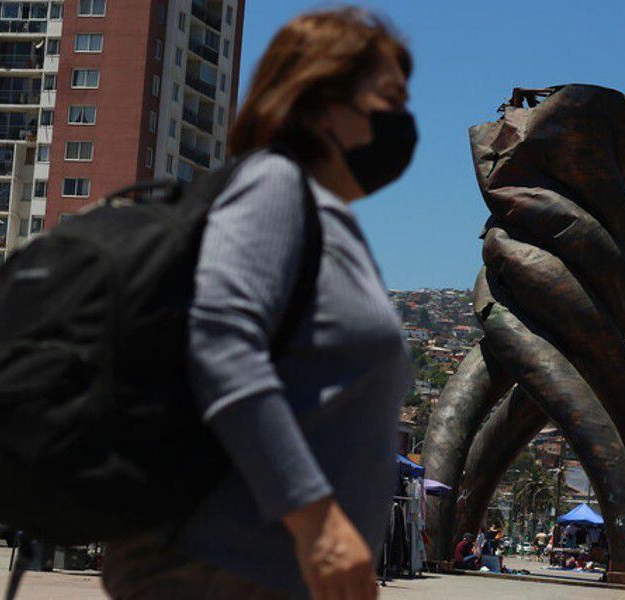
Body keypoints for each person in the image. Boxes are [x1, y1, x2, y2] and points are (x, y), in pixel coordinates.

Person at [101, 7, 417, 600]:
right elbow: (219, 340)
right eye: (390, 98)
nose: (405, 121)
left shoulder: (327, 222)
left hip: (270, 574)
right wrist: (317, 521)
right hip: (216, 567)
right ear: (323, 104)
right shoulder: (274, 186)